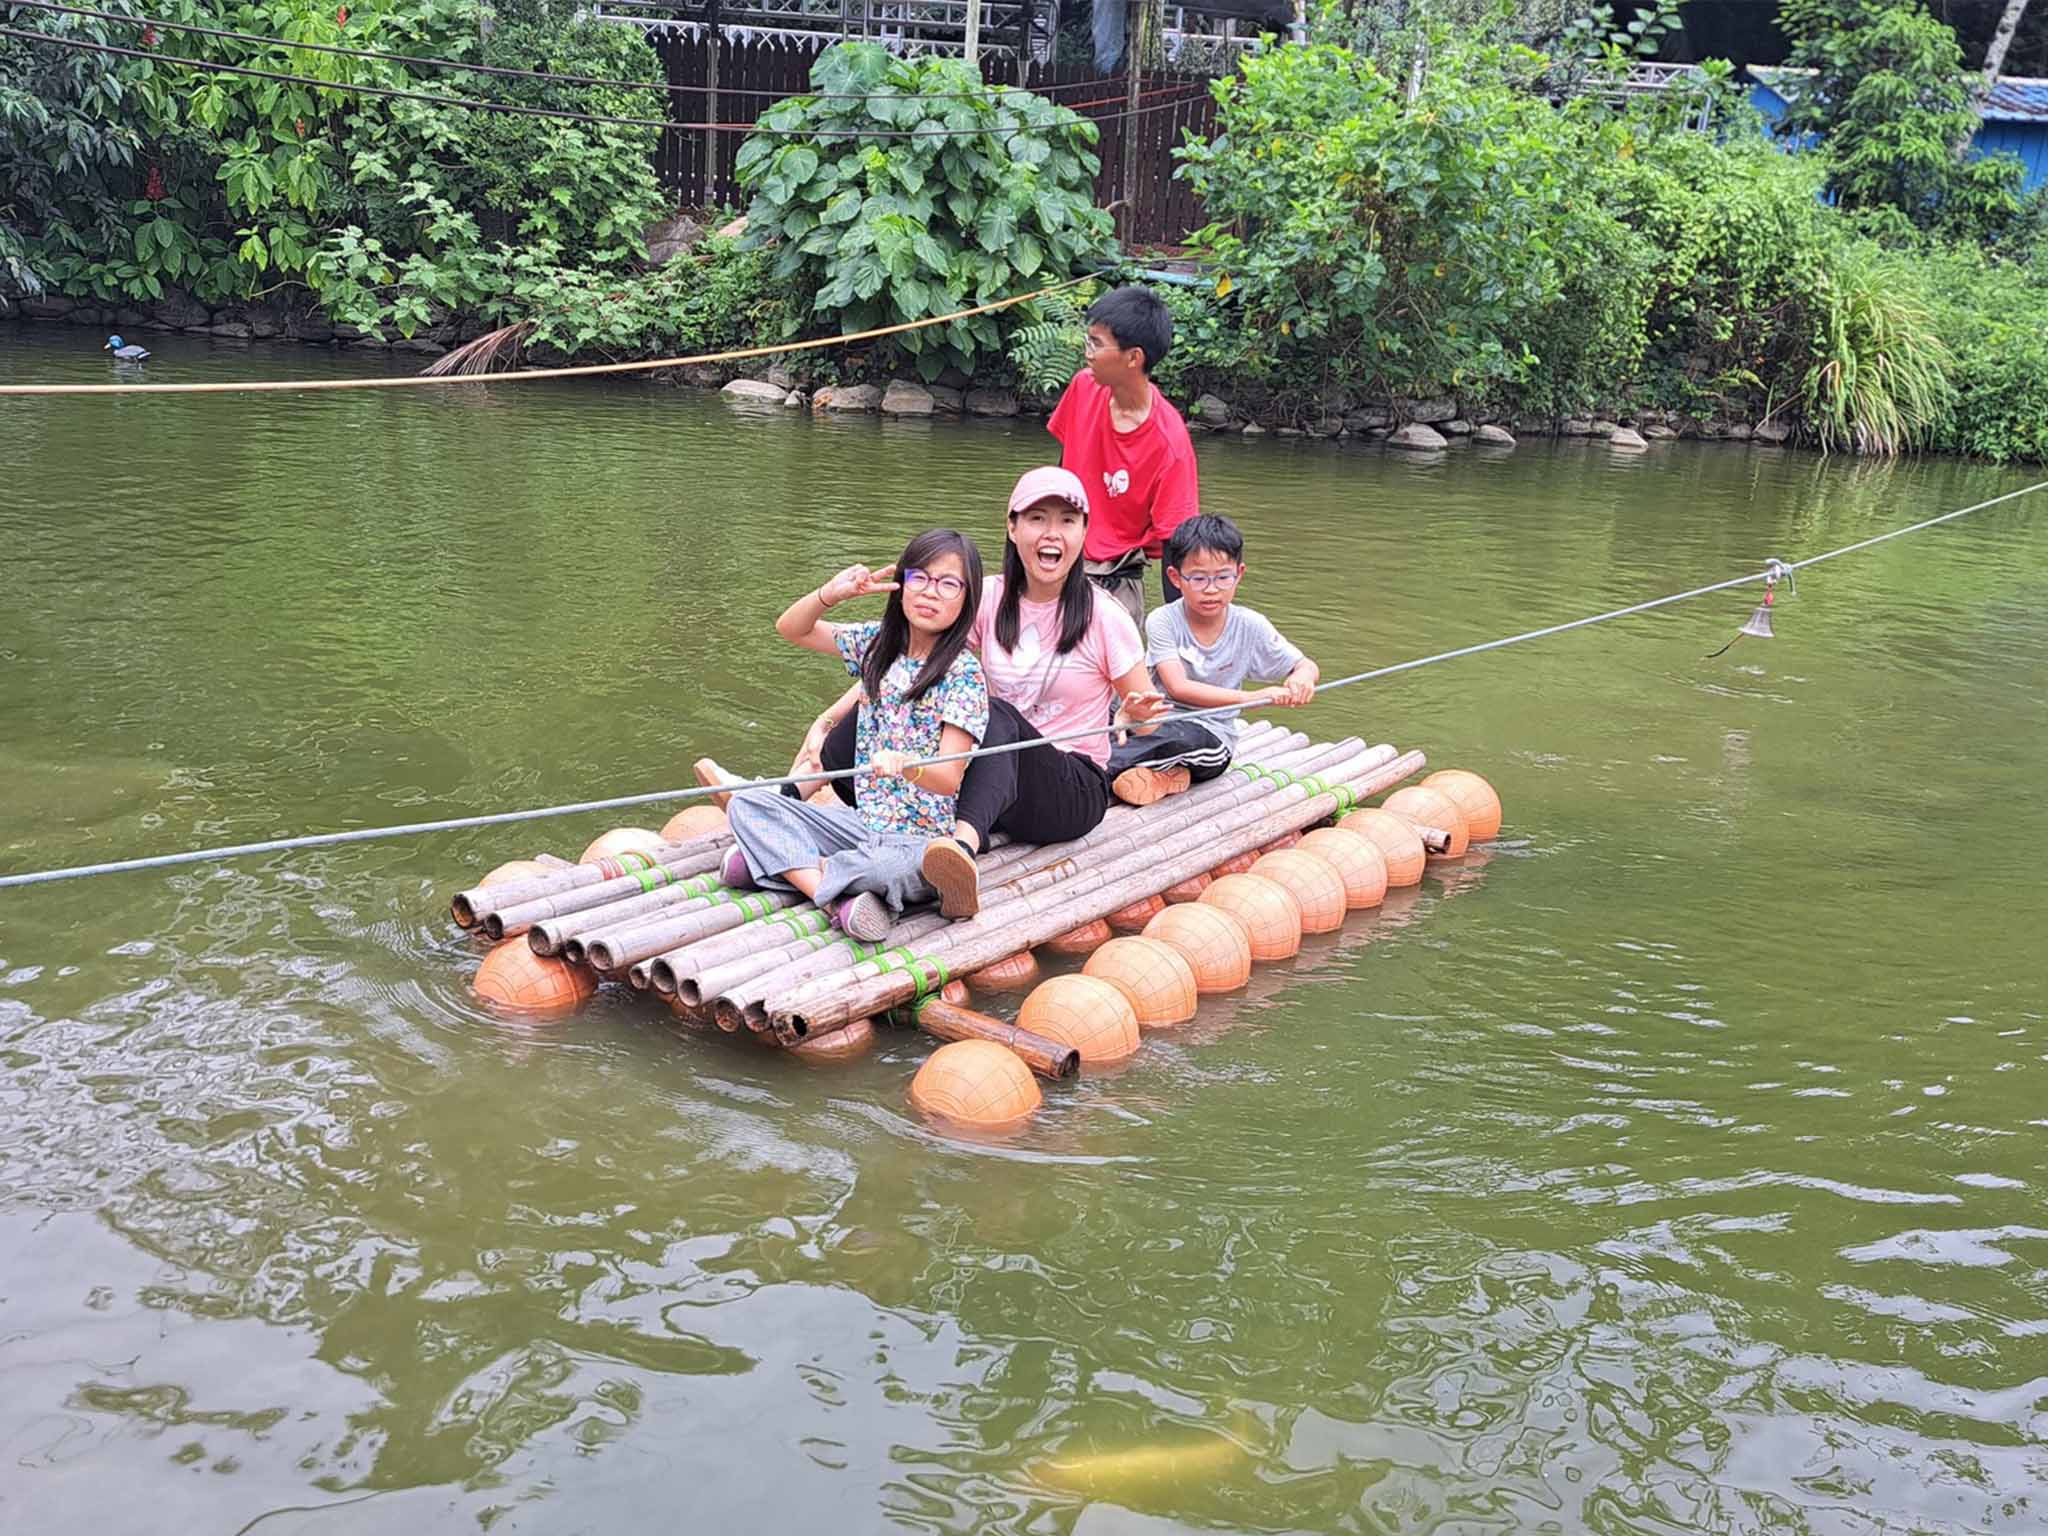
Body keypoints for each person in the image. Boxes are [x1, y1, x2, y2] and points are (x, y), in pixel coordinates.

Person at [797, 467, 1170, 920]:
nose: (1051, 533)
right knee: (848, 744)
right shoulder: (985, 598)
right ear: (1012, 528)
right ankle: (797, 790)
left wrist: (1131, 716)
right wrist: (829, 719)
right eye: (1037, 519)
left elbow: (1148, 717)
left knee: (996, 713)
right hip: (986, 779)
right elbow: (906, 666)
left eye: (1067, 521)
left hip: (1066, 789)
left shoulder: (1106, 617)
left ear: (1084, 532)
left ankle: (959, 851)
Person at [720, 530, 989, 942]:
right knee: (748, 805)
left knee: (881, 870)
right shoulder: (878, 644)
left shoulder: (964, 674)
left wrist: (907, 767)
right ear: (901, 585)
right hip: (860, 824)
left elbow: (950, 776)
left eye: (948, 583)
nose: (930, 592)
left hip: (917, 842)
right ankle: (831, 899)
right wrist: (831, 594)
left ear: (966, 599)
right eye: (920, 578)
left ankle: (786, 867)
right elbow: (792, 629)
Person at [1107, 514, 1321, 807]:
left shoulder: (1250, 625)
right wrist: (1254, 696)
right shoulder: (1163, 620)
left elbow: (1305, 664)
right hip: (1147, 720)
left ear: (1239, 574)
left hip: (1207, 733)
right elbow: (1177, 687)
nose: (1211, 589)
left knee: (1176, 741)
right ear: (1175, 578)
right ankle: (1162, 776)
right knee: (1102, 717)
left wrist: (1302, 679)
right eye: (1198, 578)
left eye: (1222, 577)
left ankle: (1095, 776)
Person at [1047, 286, 1201, 627]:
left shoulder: (1169, 443)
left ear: (1134, 358)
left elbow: (1175, 543)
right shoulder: (1083, 387)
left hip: (1114, 577)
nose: (1087, 353)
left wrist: (1180, 636)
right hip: (1059, 556)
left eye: (1097, 344)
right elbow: (1062, 474)